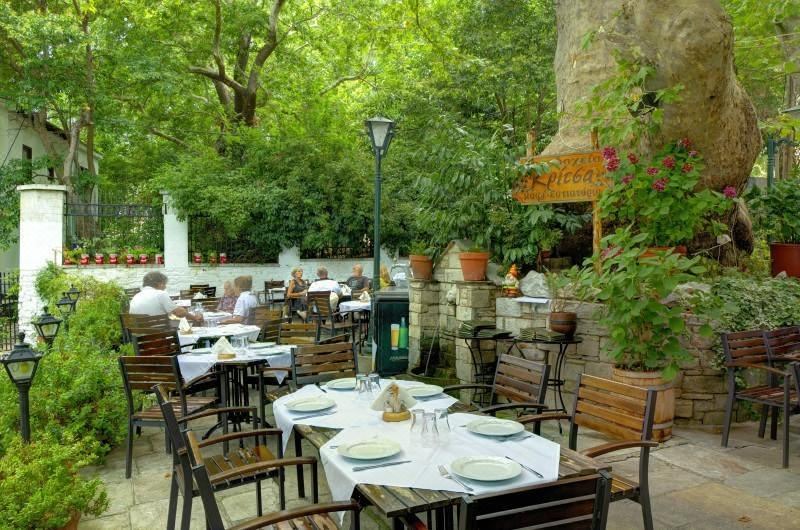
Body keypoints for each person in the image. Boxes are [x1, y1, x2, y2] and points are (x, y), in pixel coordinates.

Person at [129, 271, 200, 321]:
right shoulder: (160, 294)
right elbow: (179, 313)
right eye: (164, 284)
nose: (165, 287)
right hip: (159, 336)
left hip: (138, 337)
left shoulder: (136, 296)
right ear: (159, 283)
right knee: (186, 327)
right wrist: (194, 317)